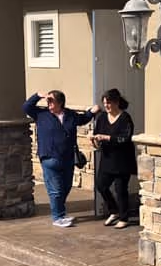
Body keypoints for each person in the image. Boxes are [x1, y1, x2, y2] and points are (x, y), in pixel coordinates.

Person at [23, 90, 99, 227]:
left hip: (68, 158)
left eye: (52, 101)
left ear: (60, 102)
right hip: (49, 158)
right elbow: (26, 107)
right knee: (56, 190)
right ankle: (58, 217)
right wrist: (37, 96)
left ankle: (60, 212)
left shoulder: (69, 115)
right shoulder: (41, 114)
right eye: (48, 101)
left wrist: (92, 112)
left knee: (66, 187)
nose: (49, 103)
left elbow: (82, 119)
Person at [91, 88, 136, 228]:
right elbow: (96, 133)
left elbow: (125, 138)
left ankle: (124, 217)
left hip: (122, 160)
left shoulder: (125, 118)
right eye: (105, 103)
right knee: (101, 185)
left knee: (120, 189)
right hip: (107, 159)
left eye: (109, 103)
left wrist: (106, 137)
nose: (106, 106)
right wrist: (94, 140)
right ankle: (114, 211)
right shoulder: (102, 117)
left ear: (116, 102)